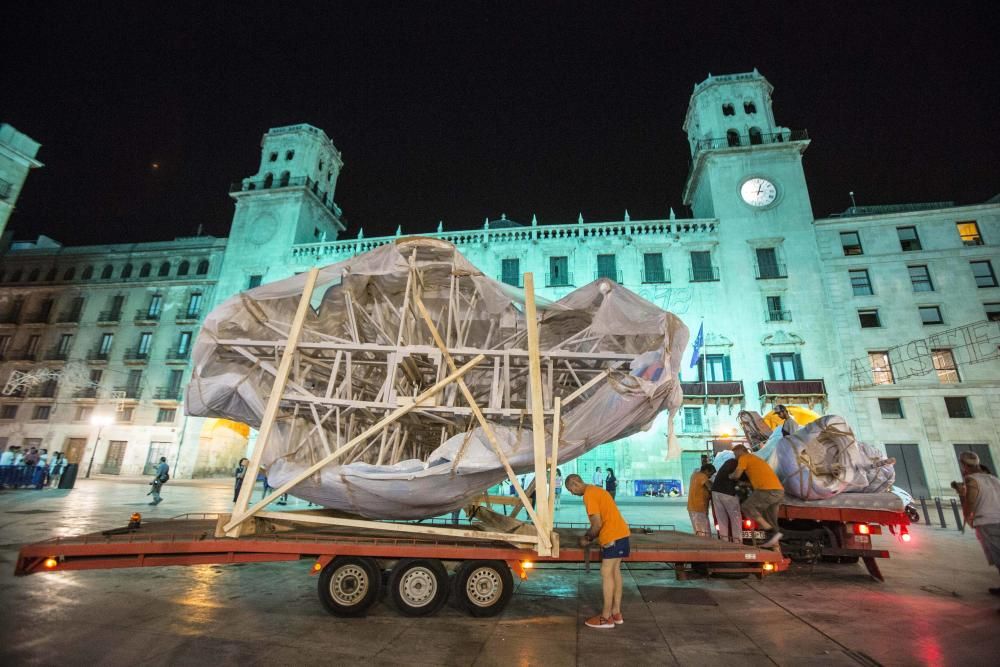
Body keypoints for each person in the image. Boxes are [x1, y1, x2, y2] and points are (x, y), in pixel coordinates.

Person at [564, 474, 629, 629]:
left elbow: (597, 524)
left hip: (612, 537)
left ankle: (605, 618)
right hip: (622, 533)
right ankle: (616, 613)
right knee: (615, 573)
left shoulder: (589, 495)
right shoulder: (597, 490)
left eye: (570, 489)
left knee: (606, 574)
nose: (572, 493)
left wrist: (586, 538)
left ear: (575, 483)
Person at [953, 451, 1000, 599]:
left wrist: (967, 516)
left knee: (998, 557)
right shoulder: (993, 478)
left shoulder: (971, 479)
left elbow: (971, 500)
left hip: (988, 521)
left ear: (964, 465)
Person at [730, 444, 785, 548]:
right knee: (771, 519)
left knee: (747, 507)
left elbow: (736, 475)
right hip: (778, 491)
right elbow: (757, 479)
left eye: (735, 453)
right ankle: (776, 549)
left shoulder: (744, 457)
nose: (735, 456)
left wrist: (730, 476)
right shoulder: (755, 459)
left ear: (741, 450)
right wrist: (744, 484)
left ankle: (769, 529)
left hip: (767, 490)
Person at [712, 454, 744, 541]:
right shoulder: (740, 464)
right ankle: (737, 543)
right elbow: (738, 477)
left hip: (715, 491)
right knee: (735, 518)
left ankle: (724, 542)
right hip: (728, 493)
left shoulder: (728, 462)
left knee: (721, 519)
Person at [687, 464, 714, 537]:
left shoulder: (695, 475)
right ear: (706, 470)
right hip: (698, 508)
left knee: (699, 532)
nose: (710, 476)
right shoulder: (703, 476)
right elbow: (711, 487)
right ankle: (705, 548)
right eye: (710, 474)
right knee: (704, 534)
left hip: (694, 507)